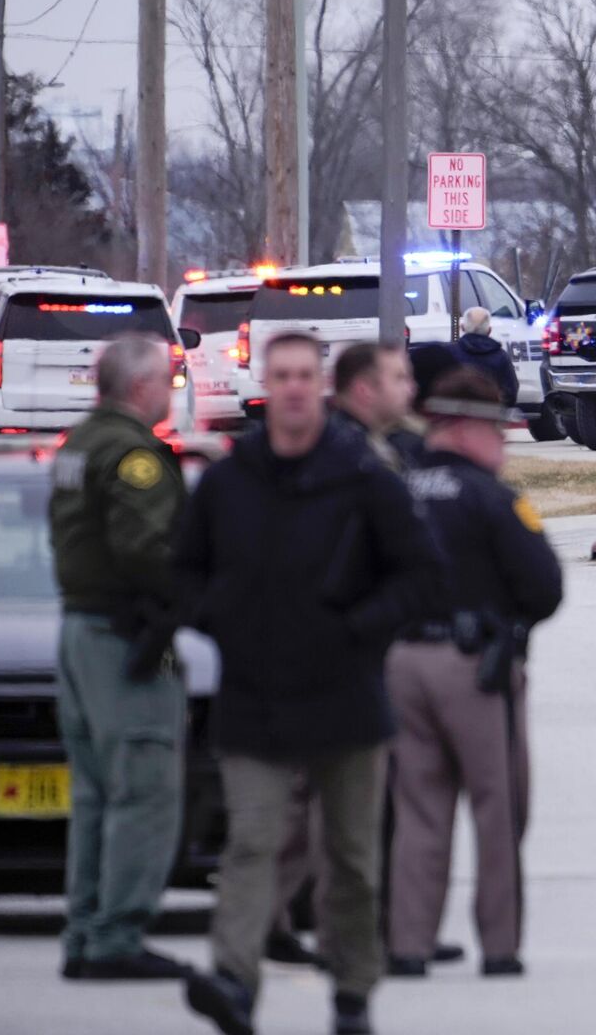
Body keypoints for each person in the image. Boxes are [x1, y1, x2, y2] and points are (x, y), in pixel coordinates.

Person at [179, 332, 442, 1035]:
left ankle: (352, 993)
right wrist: (222, 621)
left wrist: (361, 627)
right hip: (254, 695)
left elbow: (421, 573)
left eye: (305, 375)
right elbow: (184, 570)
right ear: (267, 383)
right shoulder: (232, 479)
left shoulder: (362, 476)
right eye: (282, 375)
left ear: (321, 385)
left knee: (352, 858)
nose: (294, 387)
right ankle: (233, 982)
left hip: (346, 694)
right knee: (251, 844)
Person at [385, 368, 563, 978]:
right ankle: (500, 945)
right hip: (476, 670)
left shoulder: (397, 489)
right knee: (499, 807)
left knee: (418, 810)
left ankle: (407, 944)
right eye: (497, 431)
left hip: (402, 664)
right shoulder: (492, 497)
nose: (504, 443)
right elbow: (544, 586)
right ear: (465, 429)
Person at [47, 334, 191, 982]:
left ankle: (85, 929)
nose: (171, 388)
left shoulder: (78, 445)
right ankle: (116, 933)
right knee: (143, 788)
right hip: (122, 638)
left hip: (80, 630)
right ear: (140, 388)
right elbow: (146, 548)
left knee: (96, 794)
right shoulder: (133, 455)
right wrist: (189, 596)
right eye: (166, 378)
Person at [332, 341, 424, 470]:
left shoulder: (388, 438)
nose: (412, 388)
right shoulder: (344, 454)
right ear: (364, 390)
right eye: (399, 378)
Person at [451, 306, 518, 407]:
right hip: (492, 417)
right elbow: (511, 391)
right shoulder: (501, 357)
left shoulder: (450, 354)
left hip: (457, 417)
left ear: (462, 327)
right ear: (489, 330)